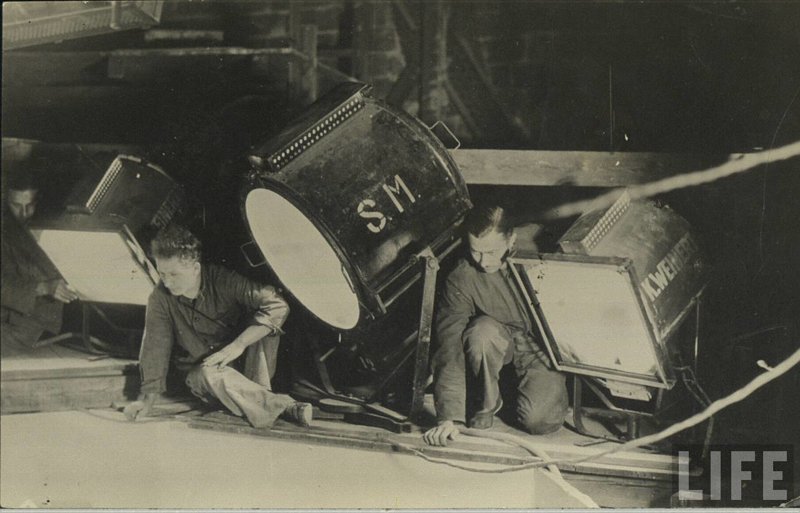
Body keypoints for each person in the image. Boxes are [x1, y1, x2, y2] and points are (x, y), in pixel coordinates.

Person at [123, 224, 312, 428]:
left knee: (265, 326)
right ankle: (282, 405)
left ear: (196, 268)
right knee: (208, 374)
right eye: (162, 274)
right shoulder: (160, 298)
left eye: (174, 274)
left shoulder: (223, 280)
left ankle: (257, 400)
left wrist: (238, 345)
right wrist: (146, 400)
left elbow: (278, 305)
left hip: (243, 367)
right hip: (204, 375)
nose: (167, 282)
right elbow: (154, 348)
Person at [423, 205, 568, 446]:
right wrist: (450, 418)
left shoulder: (543, 250)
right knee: (481, 332)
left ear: (511, 239)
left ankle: (516, 395)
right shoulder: (462, 277)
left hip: (544, 342)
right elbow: (448, 344)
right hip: (500, 337)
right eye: (475, 251)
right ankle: (488, 403)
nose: (482, 261)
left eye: (491, 252)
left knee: (538, 422)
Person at [1, 161, 78, 355]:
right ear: (4, 199)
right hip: (11, 321)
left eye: (29, 205)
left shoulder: (51, 226)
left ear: (37, 201)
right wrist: (44, 287)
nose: (24, 213)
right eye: (16, 205)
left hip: (36, 324)